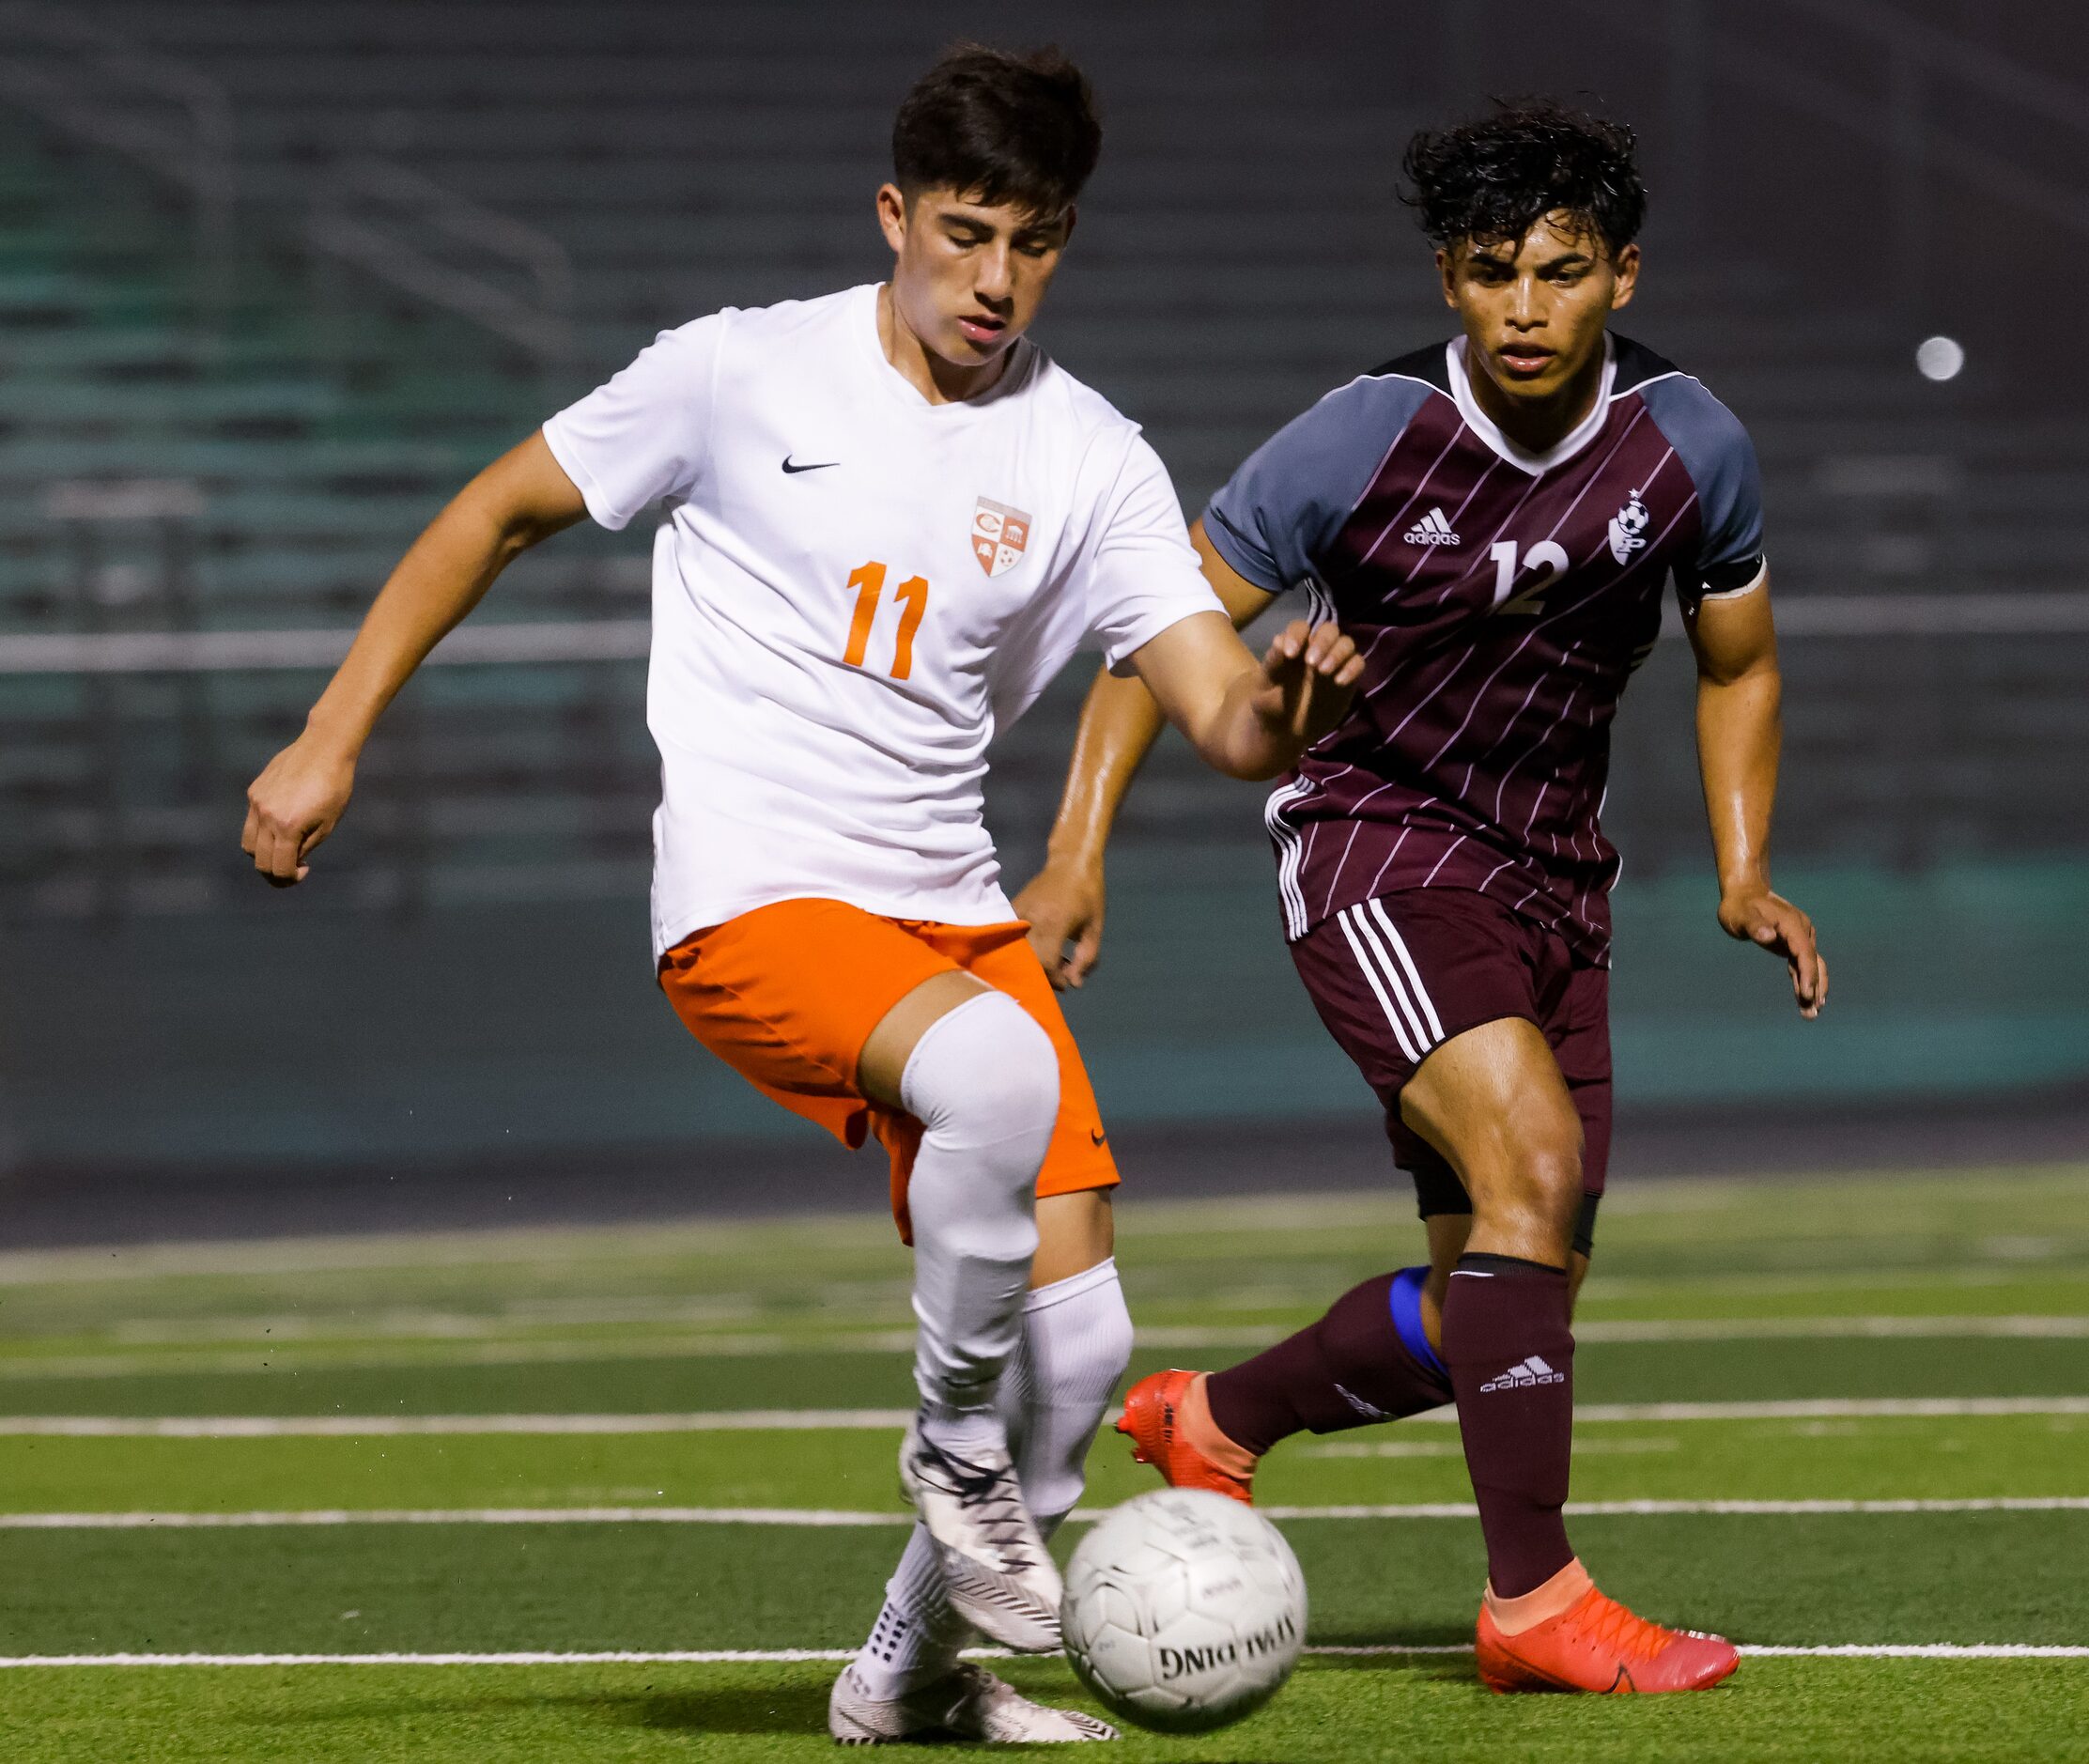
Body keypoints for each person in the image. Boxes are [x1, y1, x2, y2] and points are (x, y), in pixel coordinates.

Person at [240, 41, 1359, 1746]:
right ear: (896, 215)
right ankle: (948, 1453)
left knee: (1084, 1351)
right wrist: (330, 735)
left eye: (1038, 240)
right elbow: (499, 510)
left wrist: (1292, 705)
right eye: (968, 232)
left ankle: (907, 1675)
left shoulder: (1088, 456)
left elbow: (1218, 708)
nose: (997, 279)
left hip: (949, 915)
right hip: (755, 898)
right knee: (994, 1077)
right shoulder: (737, 374)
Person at [1014, 100, 1826, 1696]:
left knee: (1499, 1303)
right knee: (1532, 1165)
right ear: (1448, 282)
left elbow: (1742, 662)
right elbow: (1152, 631)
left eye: (1560, 272)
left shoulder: (1690, 443)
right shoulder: (1361, 438)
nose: (1525, 307)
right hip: (1380, 843)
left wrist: (1743, 866)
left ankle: (1218, 1417)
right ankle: (1536, 1604)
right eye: (1489, 272)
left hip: (1557, 876)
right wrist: (1075, 845)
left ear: (1621, 274)